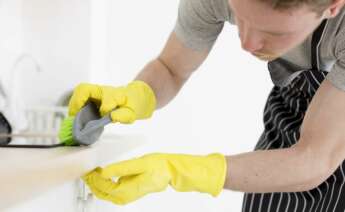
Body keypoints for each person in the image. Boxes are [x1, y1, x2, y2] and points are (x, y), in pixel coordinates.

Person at [68, 0, 345, 211]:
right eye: (239, 17)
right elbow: (171, 68)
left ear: (333, 6)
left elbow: (314, 158)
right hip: (296, 103)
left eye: (272, 32)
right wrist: (138, 94)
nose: (247, 44)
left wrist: (181, 171)